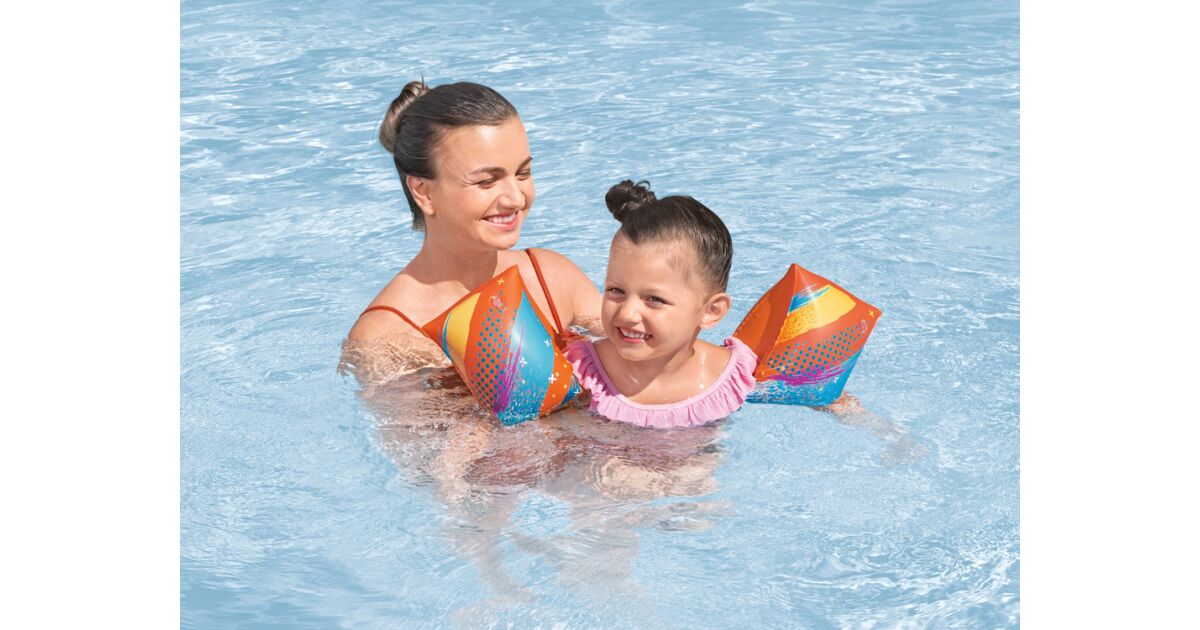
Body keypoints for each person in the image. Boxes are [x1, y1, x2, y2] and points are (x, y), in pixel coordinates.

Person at [342, 80, 602, 387]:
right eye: (486, 182)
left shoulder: (553, 279)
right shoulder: (385, 339)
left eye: (522, 173)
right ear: (423, 191)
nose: (515, 199)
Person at [564, 180, 758, 429]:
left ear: (711, 311)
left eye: (654, 299)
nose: (627, 313)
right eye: (616, 290)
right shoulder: (581, 374)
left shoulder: (735, 376)